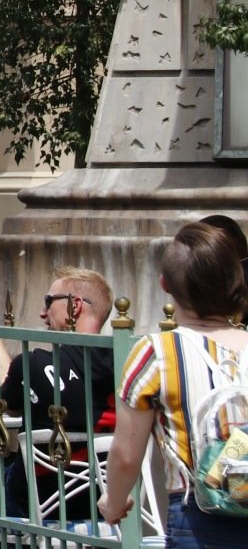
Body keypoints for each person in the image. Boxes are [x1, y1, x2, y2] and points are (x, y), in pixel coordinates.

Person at [0, 266, 116, 544]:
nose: (42, 313)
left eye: (49, 302)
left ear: (74, 306)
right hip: (106, 500)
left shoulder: (33, 364)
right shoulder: (125, 365)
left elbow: (1, 397)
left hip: (33, 499)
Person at [103, 221, 248, 547]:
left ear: (164, 284)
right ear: (236, 281)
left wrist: (114, 501)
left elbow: (127, 455)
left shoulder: (155, 354)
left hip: (197, 517)